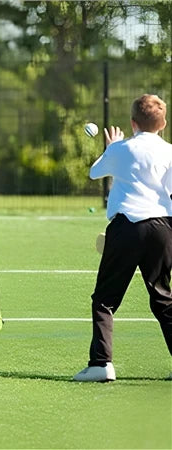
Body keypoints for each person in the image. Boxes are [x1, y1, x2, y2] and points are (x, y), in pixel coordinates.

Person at [74, 94, 172, 382]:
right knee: (164, 299)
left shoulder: (121, 148)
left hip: (127, 228)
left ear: (132, 123)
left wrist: (111, 148)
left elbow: (94, 173)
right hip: (163, 229)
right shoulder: (169, 151)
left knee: (104, 299)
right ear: (163, 124)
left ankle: (101, 365)